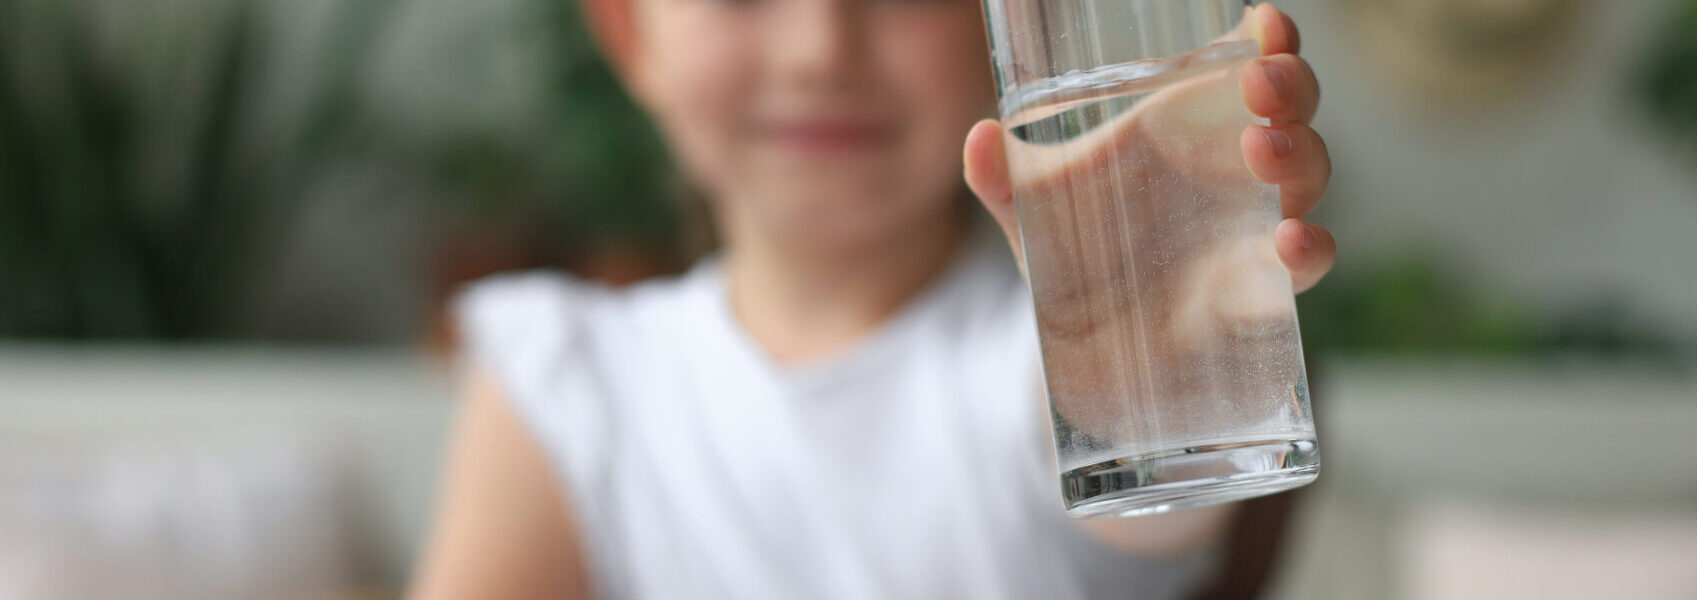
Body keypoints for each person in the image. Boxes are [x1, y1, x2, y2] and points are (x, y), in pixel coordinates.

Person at [408, 0, 1336, 597]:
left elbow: (1153, 493)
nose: (822, 46)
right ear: (629, 34)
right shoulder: (565, 377)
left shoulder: (1051, 354)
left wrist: (1159, 393)